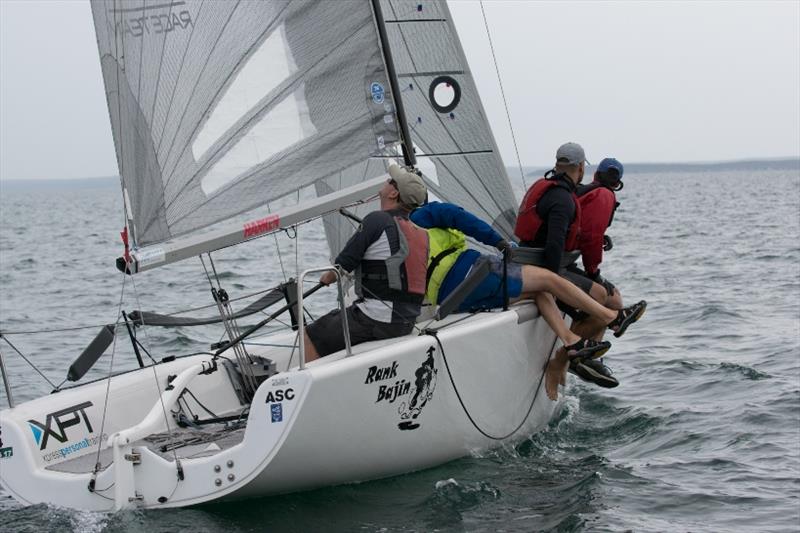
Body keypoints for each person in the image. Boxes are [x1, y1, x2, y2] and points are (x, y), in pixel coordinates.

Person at [410, 199, 645, 362]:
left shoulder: (399, 235)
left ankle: (571, 342)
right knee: (549, 278)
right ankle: (612, 318)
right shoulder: (421, 215)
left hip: (450, 295)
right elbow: (460, 217)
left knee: (538, 291)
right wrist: (499, 241)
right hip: (469, 275)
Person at [514, 143, 646, 399]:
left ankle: (581, 358)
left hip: (537, 260)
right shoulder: (564, 198)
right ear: (582, 167)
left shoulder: (553, 189)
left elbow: (567, 235)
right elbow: (554, 244)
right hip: (542, 268)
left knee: (610, 297)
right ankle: (564, 362)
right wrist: (555, 285)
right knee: (598, 297)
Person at [303, 165, 429, 361]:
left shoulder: (376, 220)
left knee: (310, 334)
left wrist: (326, 278)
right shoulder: (422, 233)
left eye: (389, 180)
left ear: (394, 193)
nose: (386, 181)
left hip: (377, 318)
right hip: (406, 321)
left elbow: (343, 265)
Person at [565, 157, 630, 387]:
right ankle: (576, 358)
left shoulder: (589, 192)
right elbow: (590, 237)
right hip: (558, 265)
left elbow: (582, 230)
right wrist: (593, 273)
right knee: (606, 298)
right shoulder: (604, 195)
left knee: (614, 298)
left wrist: (601, 237)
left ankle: (589, 356)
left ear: (595, 174)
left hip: (559, 260)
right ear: (618, 182)